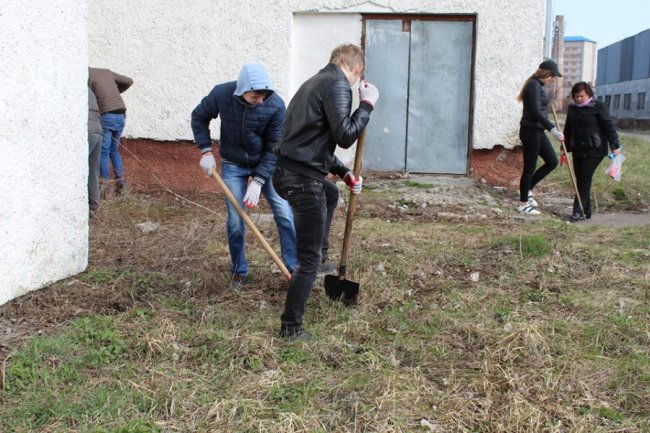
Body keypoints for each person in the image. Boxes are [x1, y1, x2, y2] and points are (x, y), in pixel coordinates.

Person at [273, 43, 379, 339]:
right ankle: (291, 328)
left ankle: (320, 254)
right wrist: (367, 105)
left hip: (285, 172)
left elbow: (312, 140)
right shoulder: (338, 85)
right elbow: (345, 136)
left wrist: (344, 173)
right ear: (357, 70)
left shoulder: (313, 82)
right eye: (359, 78)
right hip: (302, 180)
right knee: (306, 261)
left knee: (331, 195)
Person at [191, 64, 297, 290]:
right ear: (241, 90)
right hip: (233, 165)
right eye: (254, 96)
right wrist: (205, 150)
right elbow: (199, 116)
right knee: (236, 221)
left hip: (265, 163)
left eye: (263, 96)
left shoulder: (275, 105)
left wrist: (258, 181)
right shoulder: (221, 94)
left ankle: (293, 268)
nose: (260, 101)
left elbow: (274, 148)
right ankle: (239, 270)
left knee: (284, 212)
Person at [563, 81, 621, 221]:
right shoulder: (572, 109)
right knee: (581, 179)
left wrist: (614, 145)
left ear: (589, 94)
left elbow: (608, 126)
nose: (579, 99)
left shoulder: (598, 107)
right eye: (576, 96)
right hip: (578, 149)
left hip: (595, 149)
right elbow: (568, 128)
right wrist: (564, 148)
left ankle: (578, 211)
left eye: (581, 96)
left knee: (584, 177)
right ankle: (587, 210)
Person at [516, 59, 565, 215]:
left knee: (552, 161)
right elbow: (536, 112)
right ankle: (523, 203)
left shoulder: (537, 86)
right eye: (551, 76)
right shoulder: (533, 86)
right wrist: (552, 129)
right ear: (546, 73)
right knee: (529, 167)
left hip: (537, 130)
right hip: (531, 131)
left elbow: (539, 110)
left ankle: (528, 189)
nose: (552, 79)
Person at [88, 67, 134, 196]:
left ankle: (105, 187)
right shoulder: (106, 72)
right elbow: (129, 81)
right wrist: (116, 93)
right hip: (121, 112)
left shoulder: (86, 75)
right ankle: (121, 184)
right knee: (114, 150)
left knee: (103, 151)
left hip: (107, 115)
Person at [87, 85, 103, 216]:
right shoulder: (90, 89)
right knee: (93, 170)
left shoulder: (75, 85)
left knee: (77, 170)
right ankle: (93, 205)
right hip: (98, 130)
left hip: (87, 129)